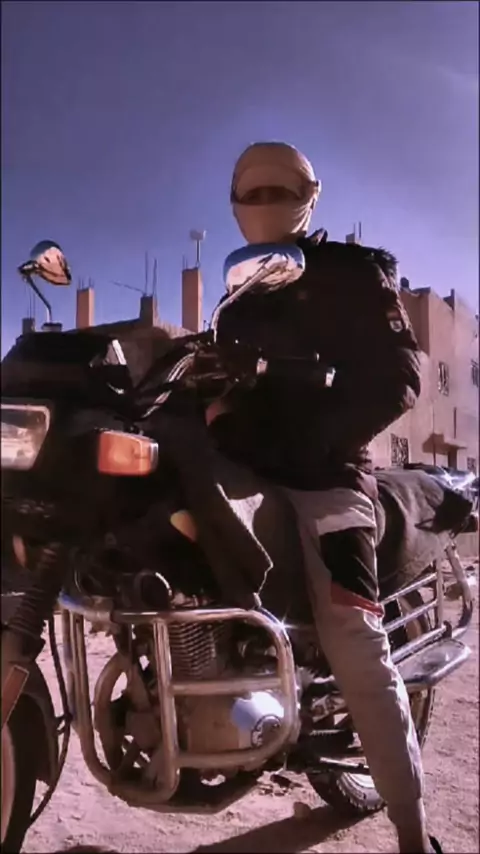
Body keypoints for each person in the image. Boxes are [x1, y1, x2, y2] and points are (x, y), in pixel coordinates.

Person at [206, 141, 442, 854]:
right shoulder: (237, 294)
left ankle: (412, 830)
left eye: (280, 190)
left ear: (310, 197)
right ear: (234, 205)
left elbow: (400, 378)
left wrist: (313, 443)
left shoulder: (353, 271)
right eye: (252, 192)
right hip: (242, 474)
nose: (265, 203)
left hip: (327, 475)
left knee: (353, 637)